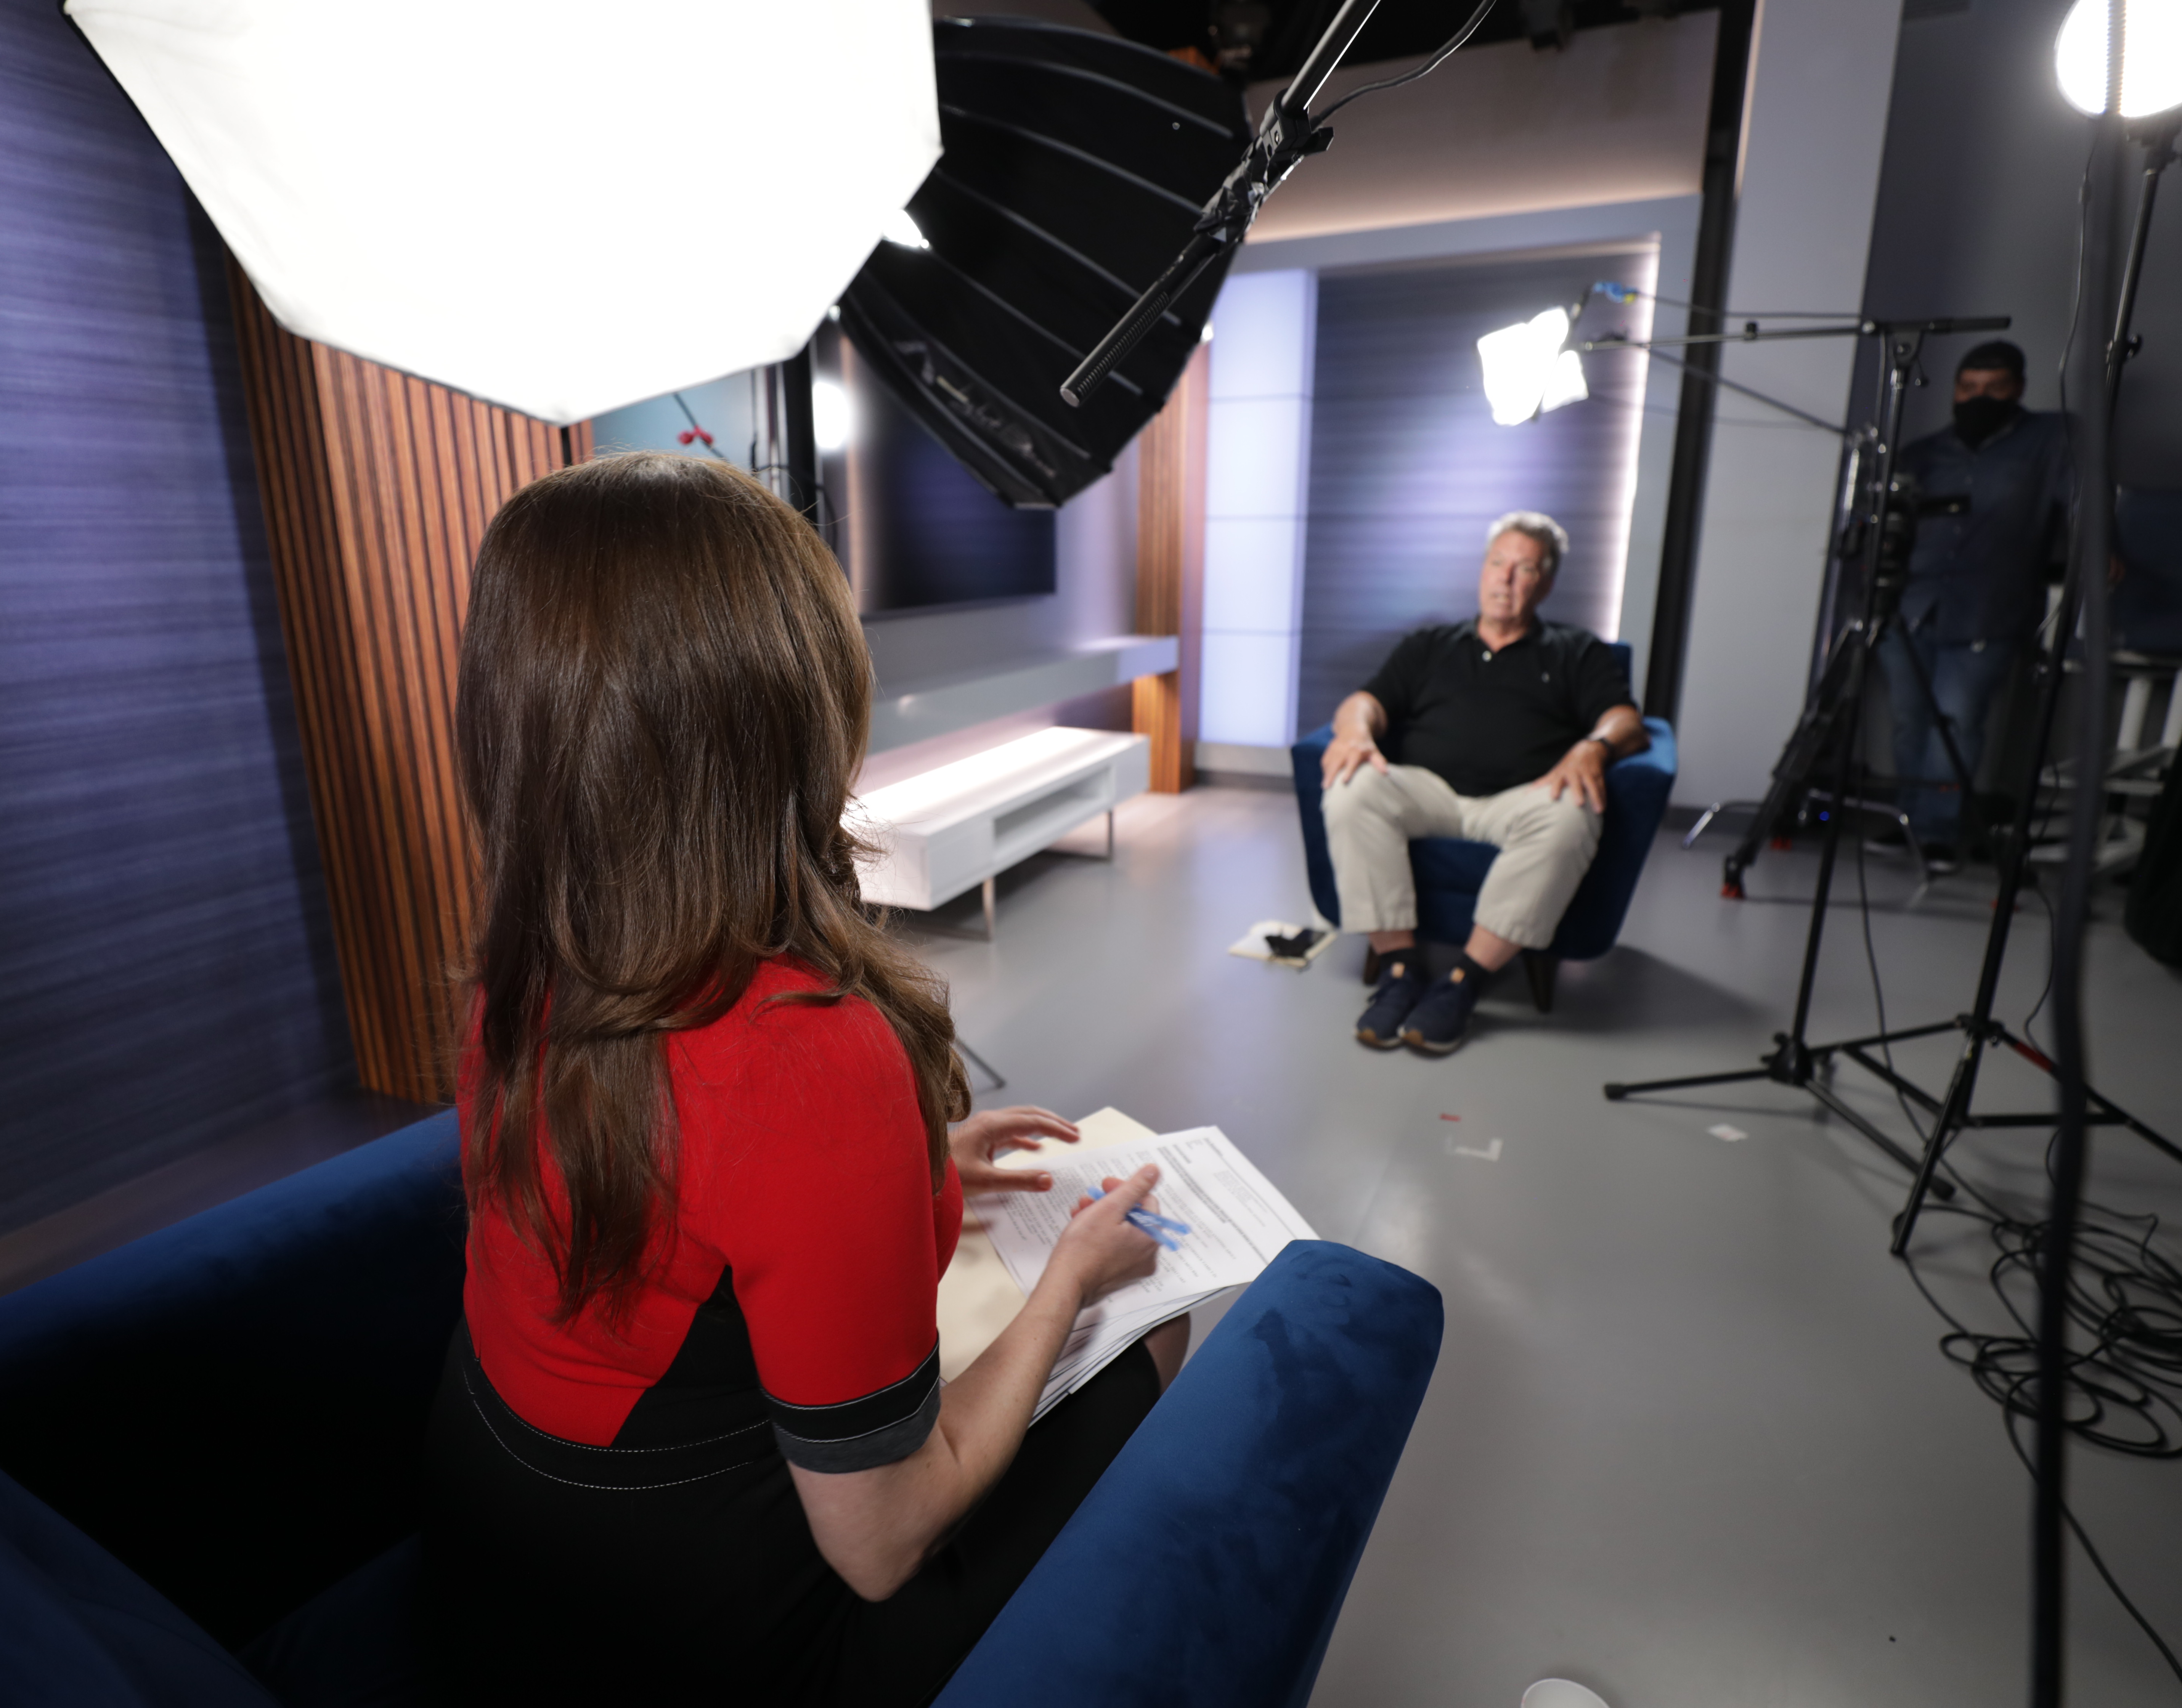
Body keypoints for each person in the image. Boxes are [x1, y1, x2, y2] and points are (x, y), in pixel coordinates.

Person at [423, 452, 1187, 1707]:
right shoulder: (806, 1057)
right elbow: (884, 1542)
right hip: (692, 1628)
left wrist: (921, 1169)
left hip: (496, 1542)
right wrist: (1071, 1283)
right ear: (793, 703)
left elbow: (685, 1218)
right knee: (1151, 1332)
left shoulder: (529, 963)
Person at [1319, 512, 1647, 1057]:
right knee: (1352, 789)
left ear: (1547, 583)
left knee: (1573, 812)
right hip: (1428, 791)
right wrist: (1355, 729)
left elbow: (1625, 721)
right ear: (1482, 569)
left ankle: (1464, 980)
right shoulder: (1430, 644)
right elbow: (1366, 701)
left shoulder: (1576, 651)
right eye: (1498, 563)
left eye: (1525, 569)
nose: (1506, 579)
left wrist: (1595, 746)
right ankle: (1399, 968)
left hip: (1521, 798)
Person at [1876, 339, 2073, 870]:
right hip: (1913, 605)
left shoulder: (2051, 441)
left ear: (2018, 389)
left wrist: (2104, 546)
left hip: (1988, 607)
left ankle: (1937, 833)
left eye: (1994, 388)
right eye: (1968, 388)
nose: (1979, 398)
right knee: (1909, 721)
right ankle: (1909, 820)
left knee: (1958, 722)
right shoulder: (1923, 454)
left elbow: (2086, 500)